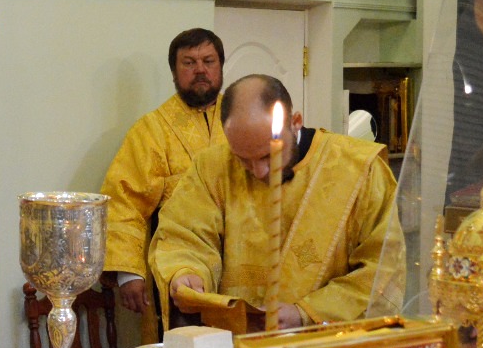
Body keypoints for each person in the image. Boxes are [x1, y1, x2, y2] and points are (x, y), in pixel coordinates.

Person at [152, 73, 400, 331]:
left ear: (295, 122)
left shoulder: (360, 169)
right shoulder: (212, 167)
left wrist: (304, 313)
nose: (258, 171)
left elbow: (383, 271)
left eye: (268, 156)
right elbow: (183, 235)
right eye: (243, 159)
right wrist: (188, 272)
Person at [100, 27, 227, 342]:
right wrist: (129, 273)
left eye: (208, 61)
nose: (200, 70)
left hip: (238, 265)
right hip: (174, 271)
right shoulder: (151, 131)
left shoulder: (243, 119)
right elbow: (124, 203)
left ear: (221, 67)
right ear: (174, 72)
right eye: (189, 62)